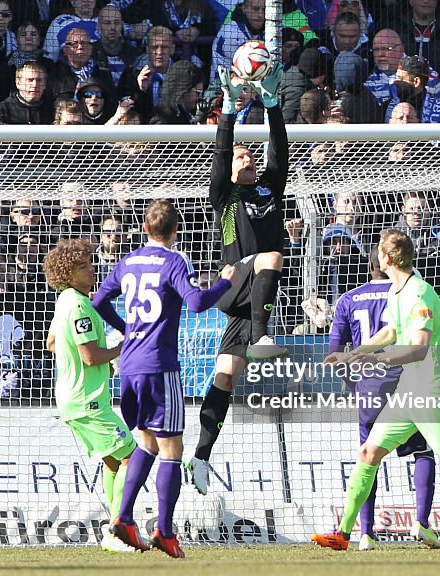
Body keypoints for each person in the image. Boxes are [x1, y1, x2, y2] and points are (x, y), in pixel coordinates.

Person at [312, 228, 440, 553]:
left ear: (387, 257)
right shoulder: (396, 292)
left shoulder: (419, 293)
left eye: (379, 251)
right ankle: (343, 533)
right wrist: (355, 353)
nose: (377, 256)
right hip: (408, 392)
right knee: (368, 453)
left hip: (433, 392)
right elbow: (391, 331)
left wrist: (376, 359)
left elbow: (419, 349)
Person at [91, 199, 236, 557]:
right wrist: (224, 283)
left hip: (128, 366)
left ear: (144, 228)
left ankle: (123, 518)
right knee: (172, 450)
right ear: (175, 231)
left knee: (146, 443)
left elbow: (98, 301)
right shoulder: (175, 260)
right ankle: (165, 530)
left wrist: (128, 328)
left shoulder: (128, 261)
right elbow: (198, 303)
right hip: (159, 365)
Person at [184, 60, 289, 496]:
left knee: (226, 374)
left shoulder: (268, 186)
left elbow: (279, 147)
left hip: (253, 300)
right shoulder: (224, 196)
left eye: (251, 156)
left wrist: (271, 104)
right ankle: (264, 336)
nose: (247, 159)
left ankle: (201, 456)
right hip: (233, 284)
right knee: (270, 255)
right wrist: (228, 109)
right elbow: (222, 151)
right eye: (241, 157)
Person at [326, 250, 438, 551]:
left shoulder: (349, 298)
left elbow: (335, 349)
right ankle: (421, 522)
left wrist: (355, 381)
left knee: (367, 459)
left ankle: (366, 533)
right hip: (405, 379)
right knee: (423, 452)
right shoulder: (408, 291)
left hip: (369, 386)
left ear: (370, 266)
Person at [44, 238, 136, 554]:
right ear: (68, 274)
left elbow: (52, 343)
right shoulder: (81, 304)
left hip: (72, 398)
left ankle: (118, 527)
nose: (92, 268)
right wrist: (123, 348)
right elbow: (90, 356)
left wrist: (96, 364)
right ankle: (116, 530)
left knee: (112, 462)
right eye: (83, 266)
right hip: (89, 400)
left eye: (89, 262)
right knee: (133, 458)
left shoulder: (65, 300)